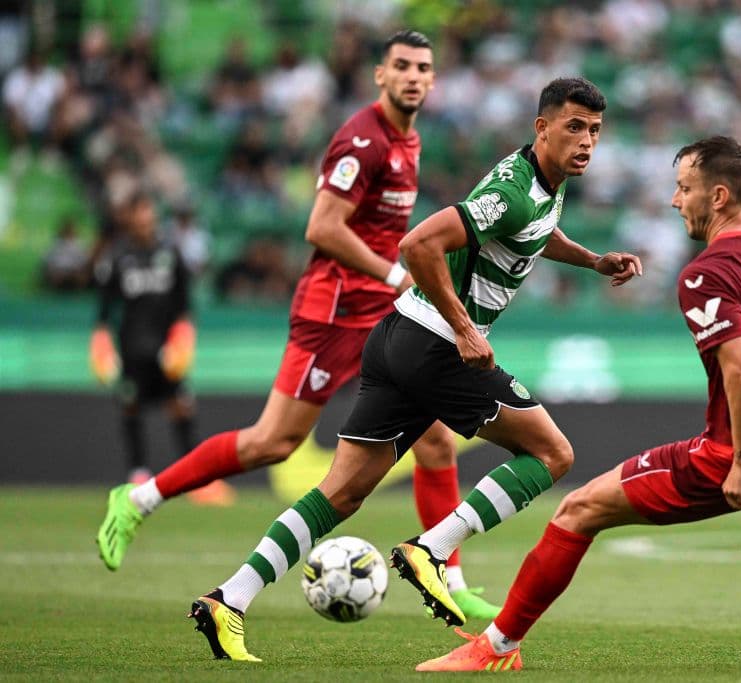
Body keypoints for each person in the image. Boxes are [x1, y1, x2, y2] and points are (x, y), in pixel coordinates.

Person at [416, 136, 741, 672]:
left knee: (578, 511)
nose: (676, 201)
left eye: (684, 188)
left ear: (718, 197)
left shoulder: (707, 273)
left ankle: (496, 647)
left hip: (737, 452)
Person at [186, 76, 642, 662]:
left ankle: (230, 598)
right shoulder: (515, 189)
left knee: (342, 493)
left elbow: (533, 232)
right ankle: (432, 549)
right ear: (542, 127)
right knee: (553, 454)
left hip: (397, 337)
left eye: (595, 132)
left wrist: (592, 260)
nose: (586, 141)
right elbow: (418, 246)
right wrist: (464, 327)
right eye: (575, 127)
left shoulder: (542, 186)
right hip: (436, 345)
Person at [97, 31, 500, 620]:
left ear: (433, 81)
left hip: (382, 312)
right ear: (380, 76)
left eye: (424, 68)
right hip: (333, 312)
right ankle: (139, 498)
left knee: (437, 437)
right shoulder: (361, 140)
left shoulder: (408, 140)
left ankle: (449, 575)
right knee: (273, 442)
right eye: (402, 67)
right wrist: (393, 274)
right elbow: (322, 227)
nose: (414, 76)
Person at [90, 193, 198, 486]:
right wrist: (101, 345)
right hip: (131, 351)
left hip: (166, 352)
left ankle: (196, 477)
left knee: (181, 406)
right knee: (131, 406)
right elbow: (103, 313)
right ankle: (138, 471)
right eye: (139, 214)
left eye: (149, 213)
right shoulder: (116, 257)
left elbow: (184, 309)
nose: (145, 220)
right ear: (130, 218)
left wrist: (183, 341)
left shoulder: (171, 254)